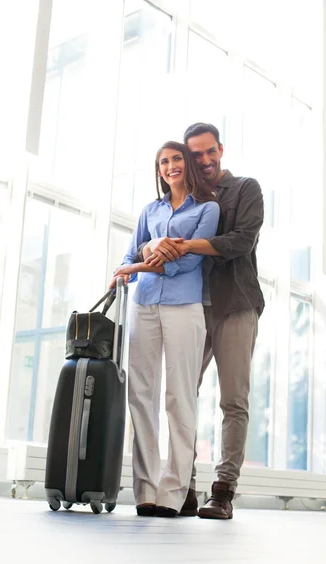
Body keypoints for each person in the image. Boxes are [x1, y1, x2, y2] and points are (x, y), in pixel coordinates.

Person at [142, 123, 264, 520]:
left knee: (232, 399)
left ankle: (223, 491)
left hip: (234, 304)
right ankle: (185, 486)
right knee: (181, 394)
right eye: (196, 155)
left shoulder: (245, 189)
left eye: (210, 152)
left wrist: (186, 245)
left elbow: (241, 242)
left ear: (221, 150)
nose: (205, 160)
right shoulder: (183, 202)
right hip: (190, 305)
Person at [110, 141, 219, 518]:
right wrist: (153, 247)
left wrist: (139, 265)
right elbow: (129, 254)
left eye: (176, 159)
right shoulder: (149, 211)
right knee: (141, 395)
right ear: (159, 170)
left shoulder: (208, 209)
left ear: (186, 164)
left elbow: (186, 264)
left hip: (184, 308)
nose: (171, 166)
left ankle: (173, 493)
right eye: (163, 162)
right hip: (144, 305)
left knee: (179, 398)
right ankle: (145, 490)